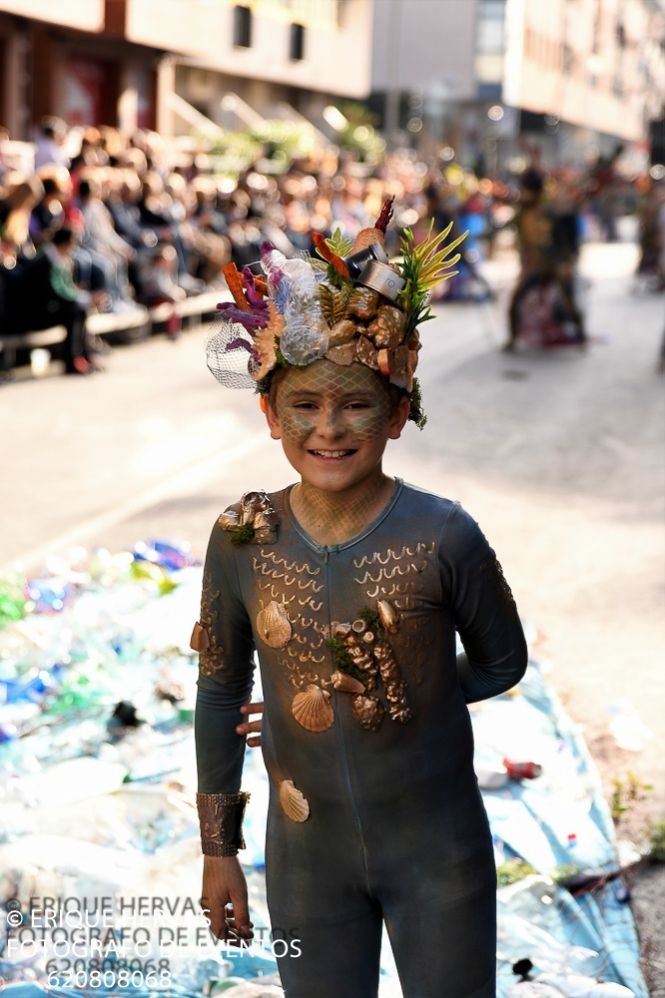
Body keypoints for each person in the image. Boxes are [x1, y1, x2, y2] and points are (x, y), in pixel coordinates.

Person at [193, 202, 528, 997]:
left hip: (438, 854)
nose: (329, 429)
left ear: (399, 411)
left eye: (357, 404)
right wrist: (219, 850)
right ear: (269, 413)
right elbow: (216, 692)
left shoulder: (445, 536)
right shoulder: (243, 537)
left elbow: (502, 661)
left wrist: (409, 686)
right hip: (306, 862)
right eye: (304, 404)